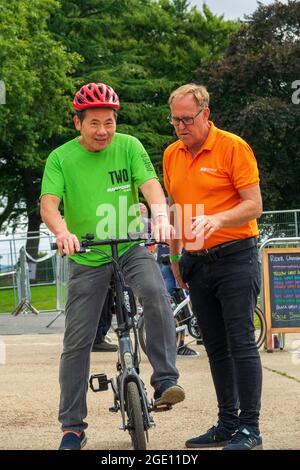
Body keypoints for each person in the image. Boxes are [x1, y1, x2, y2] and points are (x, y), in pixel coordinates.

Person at [40, 82, 185, 450]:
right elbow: (49, 204)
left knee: (155, 295)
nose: (103, 131)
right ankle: (72, 427)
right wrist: (63, 232)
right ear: (78, 123)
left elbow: (151, 185)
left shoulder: (130, 146)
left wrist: (160, 216)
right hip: (87, 253)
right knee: (77, 341)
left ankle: (166, 381)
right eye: (94, 123)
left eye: (109, 122)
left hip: (131, 244)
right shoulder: (60, 158)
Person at [163, 83, 263, 450]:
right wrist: (175, 257)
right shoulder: (171, 153)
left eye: (187, 119)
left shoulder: (233, 147)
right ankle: (227, 422)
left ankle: (250, 429)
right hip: (195, 263)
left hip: (235, 256)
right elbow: (174, 208)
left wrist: (219, 220)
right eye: (175, 120)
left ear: (205, 114)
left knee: (241, 343)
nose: (181, 127)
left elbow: (254, 205)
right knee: (216, 347)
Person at [156, 243, 198, 357]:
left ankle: (167, 343)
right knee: (184, 297)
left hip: (162, 248)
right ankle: (181, 344)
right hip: (179, 249)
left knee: (168, 300)